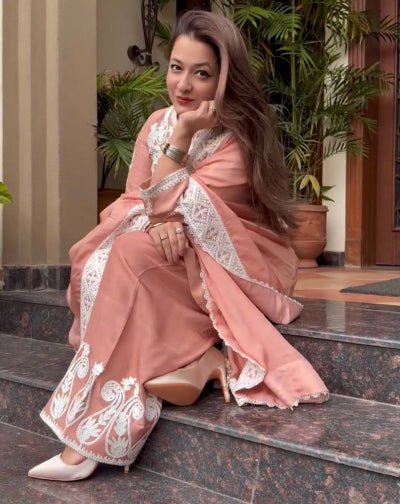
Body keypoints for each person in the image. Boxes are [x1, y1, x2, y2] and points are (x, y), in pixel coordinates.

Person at [28, 10, 328, 482]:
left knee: (129, 255)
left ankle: (88, 441)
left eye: (201, 73)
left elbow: (191, 206)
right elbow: (136, 198)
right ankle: (193, 358)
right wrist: (159, 216)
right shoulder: (155, 122)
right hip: (166, 251)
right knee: (108, 255)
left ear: (224, 79)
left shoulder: (237, 139)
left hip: (223, 265)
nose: (183, 85)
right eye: (176, 68)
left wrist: (182, 141)